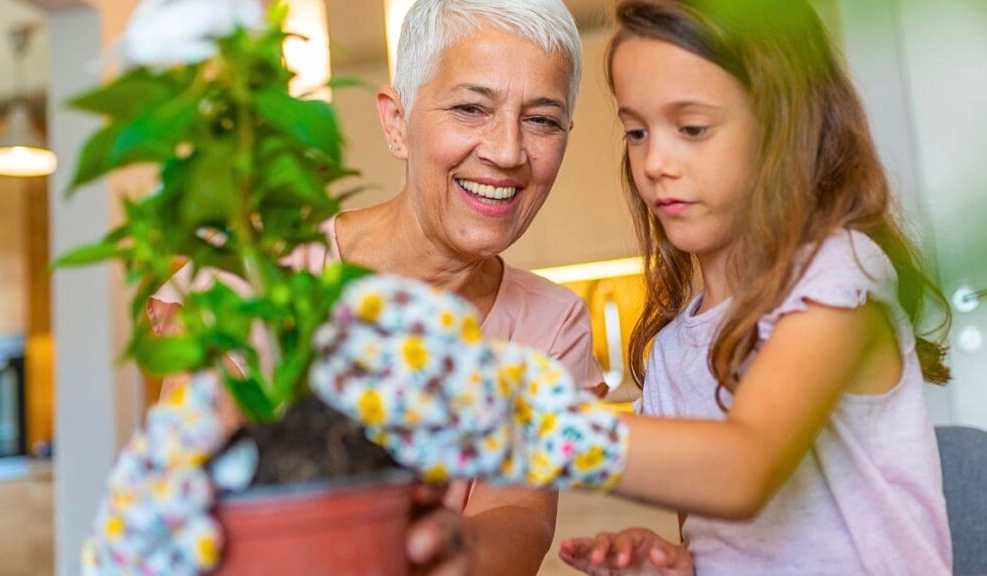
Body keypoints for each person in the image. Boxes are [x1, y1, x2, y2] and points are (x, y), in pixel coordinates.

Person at [308, 1, 954, 574]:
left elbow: (742, 469)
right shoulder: (674, 353)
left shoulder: (839, 277)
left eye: (692, 129)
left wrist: (515, 419)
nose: (655, 162)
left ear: (785, 129)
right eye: (638, 131)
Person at [150, 0, 605, 573]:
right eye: (470, 108)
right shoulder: (253, 277)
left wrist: (431, 550)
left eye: (541, 119)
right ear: (396, 123)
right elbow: (181, 504)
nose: (508, 151)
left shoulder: (551, 323)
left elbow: (519, 512)